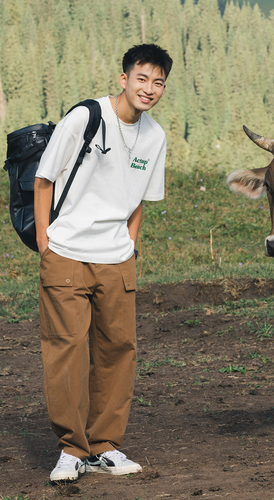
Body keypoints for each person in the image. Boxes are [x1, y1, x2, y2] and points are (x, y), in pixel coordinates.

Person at [34, 44, 173, 482]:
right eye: (142, 78)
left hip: (116, 260)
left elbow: (140, 201)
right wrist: (46, 244)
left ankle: (105, 445)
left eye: (158, 82)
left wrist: (129, 246)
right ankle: (71, 450)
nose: (148, 89)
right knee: (67, 351)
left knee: (118, 352)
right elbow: (43, 179)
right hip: (67, 254)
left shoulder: (155, 137)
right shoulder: (86, 117)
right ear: (124, 79)